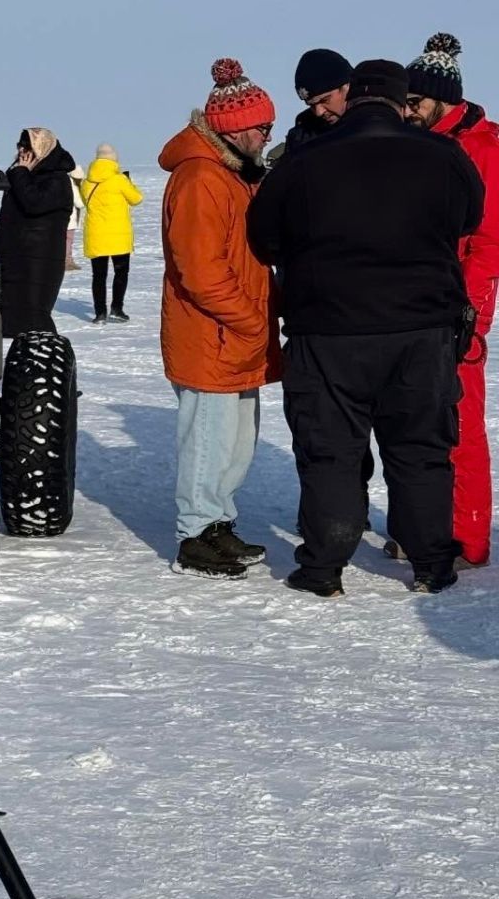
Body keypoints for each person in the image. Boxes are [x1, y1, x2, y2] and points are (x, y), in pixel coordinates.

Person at [248, 60, 485, 596]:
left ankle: (324, 567)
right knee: (421, 446)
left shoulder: (302, 162)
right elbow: (469, 219)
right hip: (421, 329)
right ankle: (430, 563)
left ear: (351, 97)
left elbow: (264, 239)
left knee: (331, 450)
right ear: (402, 102)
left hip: (327, 331)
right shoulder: (443, 155)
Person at [159, 58, 281, 581]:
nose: (265, 135)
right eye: (259, 127)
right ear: (231, 128)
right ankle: (196, 535)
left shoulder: (235, 176)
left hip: (234, 337)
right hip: (213, 336)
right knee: (208, 441)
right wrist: (252, 321)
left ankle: (218, 523)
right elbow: (200, 270)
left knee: (235, 443)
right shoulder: (201, 179)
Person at [402, 32, 499, 570]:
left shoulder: (485, 148)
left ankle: (468, 536)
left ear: (443, 98)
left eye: (416, 101)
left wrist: (470, 315)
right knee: (415, 425)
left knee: (460, 423)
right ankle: (424, 525)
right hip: (412, 310)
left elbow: (489, 242)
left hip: (459, 314)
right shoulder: (415, 141)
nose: (408, 110)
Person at [0, 128, 77, 336]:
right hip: (15, 259)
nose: (22, 152)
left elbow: (34, 203)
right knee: (10, 316)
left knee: (34, 318)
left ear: (42, 149)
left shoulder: (57, 179)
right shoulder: (20, 175)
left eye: (28, 147)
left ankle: (46, 363)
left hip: (39, 262)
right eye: (20, 147)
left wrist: (21, 173)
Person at [81, 144, 144, 322]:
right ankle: (117, 308)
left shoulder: (87, 182)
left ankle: (100, 313)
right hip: (118, 235)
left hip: (96, 234)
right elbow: (137, 199)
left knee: (98, 276)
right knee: (120, 273)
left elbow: (86, 202)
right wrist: (129, 182)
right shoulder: (119, 180)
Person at [268, 48, 353, 164]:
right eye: (311, 105)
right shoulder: (301, 138)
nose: (319, 112)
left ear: (347, 87)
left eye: (325, 100)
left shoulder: (380, 125)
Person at [65, 161, 86, 273]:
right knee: (68, 240)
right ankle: (67, 262)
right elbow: (79, 203)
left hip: (59, 218)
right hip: (70, 219)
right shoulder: (73, 185)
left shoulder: (63, 181)